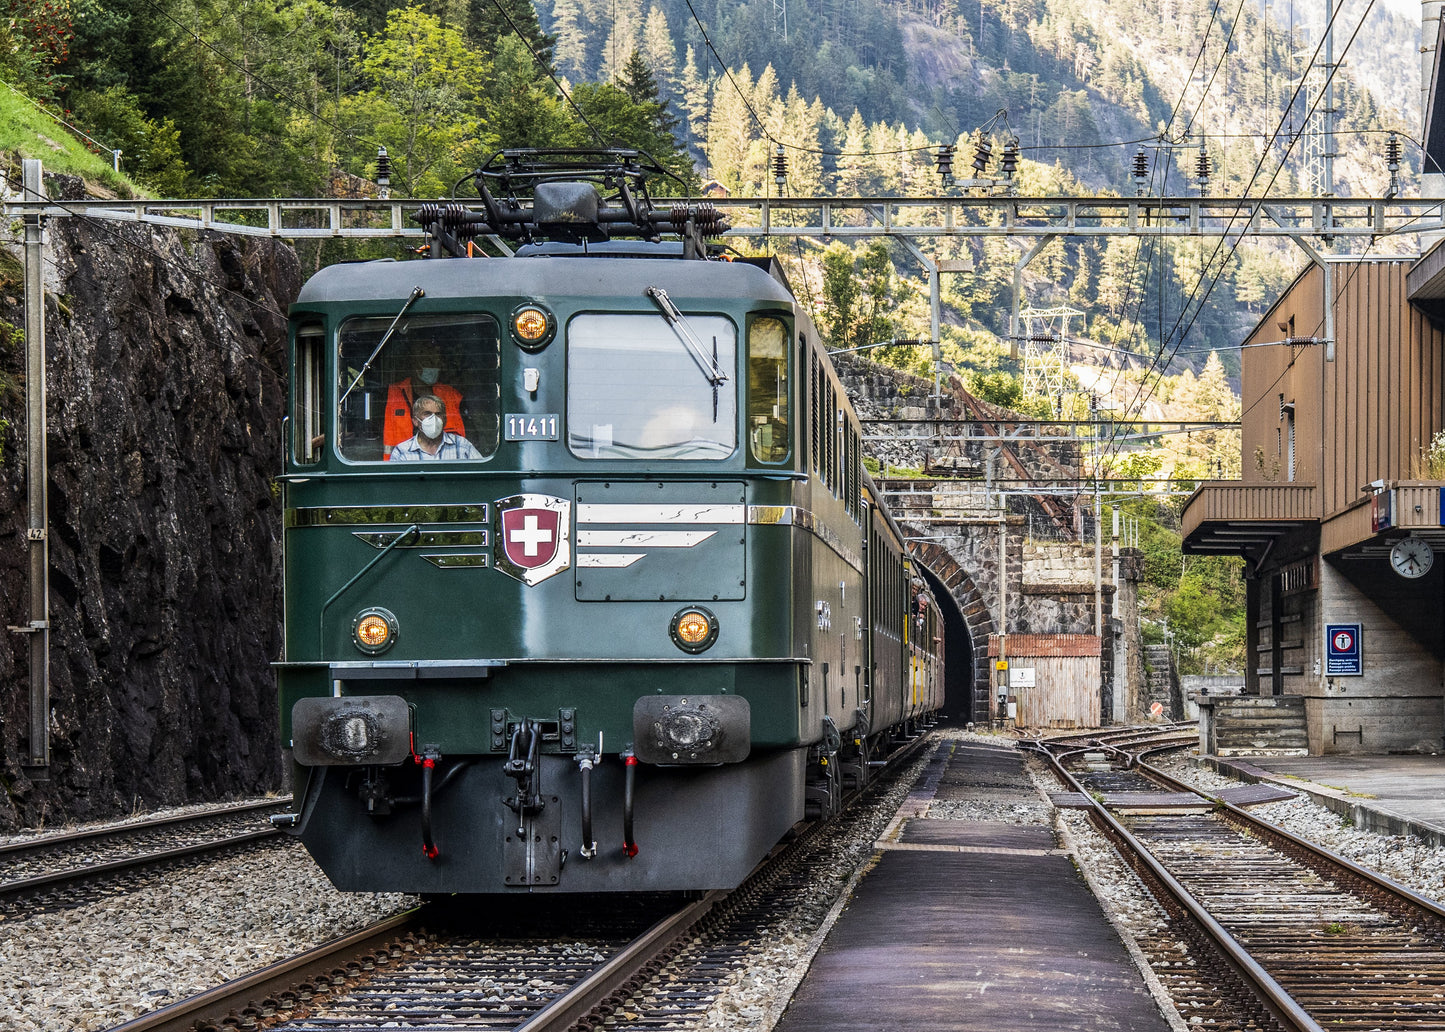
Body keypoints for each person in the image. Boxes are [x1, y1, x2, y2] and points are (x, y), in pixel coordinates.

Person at [384, 363, 465, 458]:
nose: (434, 367)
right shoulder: (392, 393)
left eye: (438, 414)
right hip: (404, 462)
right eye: (429, 362)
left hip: (449, 465)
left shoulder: (451, 395)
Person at [389, 394, 483, 461]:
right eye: (427, 413)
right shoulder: (402, 451)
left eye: (438, 414)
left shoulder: (462, 446)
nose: (433, 418)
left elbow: (481, 476)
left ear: (445, 420)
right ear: (415, 421)